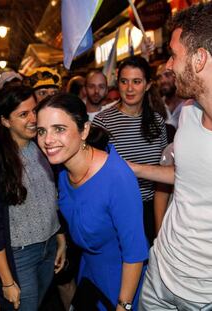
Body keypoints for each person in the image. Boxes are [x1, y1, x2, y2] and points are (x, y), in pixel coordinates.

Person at [128, 3, 212, 309]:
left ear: (199, 59)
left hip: (203, 294)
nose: (168, 66)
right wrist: (133, 169)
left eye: (174, 55)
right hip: (161, 272)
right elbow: (184, 173)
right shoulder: (187, 112)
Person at [36, 93, 148, 311]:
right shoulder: (62, 169)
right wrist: (62, 240)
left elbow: (134, 253)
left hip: (122, 284)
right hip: (88, 275)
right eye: (42, 131)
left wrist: (123, 305)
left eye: (59, 129)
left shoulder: (117, 178)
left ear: (84, 130)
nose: (47, 140)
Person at [0, 85, 66, 310]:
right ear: (6, 121)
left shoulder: (44, 146)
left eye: (35, 110)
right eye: (23, 114)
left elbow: (51, 197)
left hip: (49, 247)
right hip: (20, 256)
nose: (33, 118)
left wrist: (60, 235)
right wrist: (7, 281)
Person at [93, 56, 168, 245]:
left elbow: (164, 173)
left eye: (136, 82)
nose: (129, 88)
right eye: (124, 81)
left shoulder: (158, 122)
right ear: (117, 84)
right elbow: (94, 174)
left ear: (148, 85)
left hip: (152, 211)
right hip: (115, 212)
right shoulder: (102, 122)